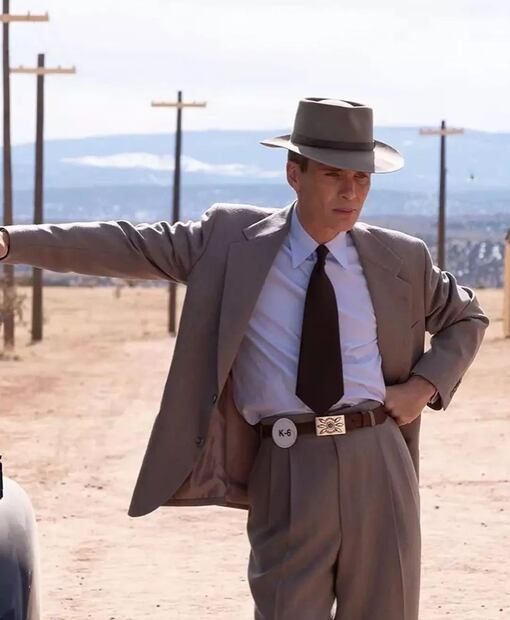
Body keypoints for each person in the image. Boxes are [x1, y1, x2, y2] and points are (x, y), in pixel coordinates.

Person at [0, 98, 489, 619]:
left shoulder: (401, 257)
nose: (351, 192)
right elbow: (128, 245)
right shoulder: (231, 241)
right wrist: (10, 243)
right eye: (333, 175)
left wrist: (423, 387)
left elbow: (467, 317)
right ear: (294, 174)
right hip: (287, 461)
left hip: (378, 456)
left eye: (361, 178)